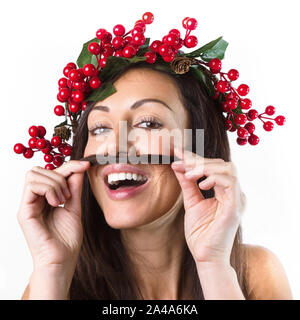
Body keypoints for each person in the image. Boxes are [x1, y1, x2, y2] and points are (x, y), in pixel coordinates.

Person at [17, 60, 292, 300]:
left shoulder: (255, 273)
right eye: (99, 128)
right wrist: (52, 271)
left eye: (148, 123)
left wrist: (213, 265)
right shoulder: (48, 285)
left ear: (200, 148)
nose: (115, 147)